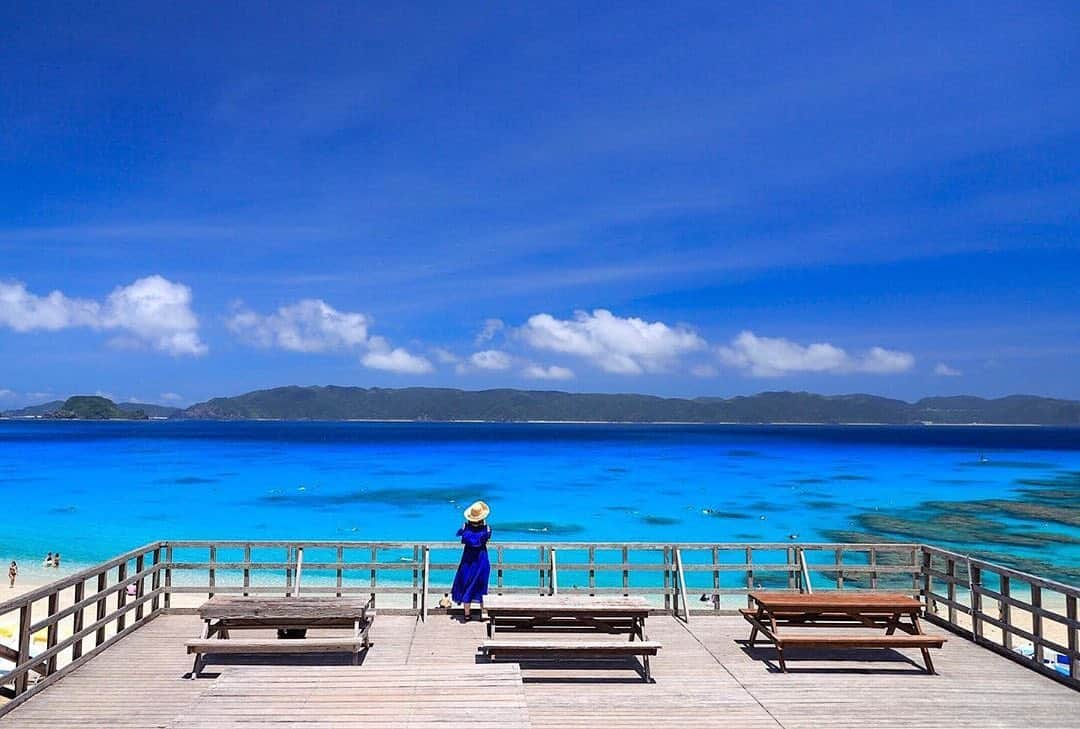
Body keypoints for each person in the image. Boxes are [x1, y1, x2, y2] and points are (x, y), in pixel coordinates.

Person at [451, 500, 492, 621]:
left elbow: (461, 535)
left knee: (466, 584)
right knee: (481, 586)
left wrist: (465, 528)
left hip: (467, 561)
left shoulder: (466, 531)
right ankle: (483, 613)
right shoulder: (486, 531)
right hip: (481, 560)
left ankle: (467, 614)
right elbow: (485, 537)